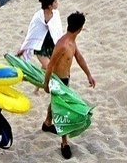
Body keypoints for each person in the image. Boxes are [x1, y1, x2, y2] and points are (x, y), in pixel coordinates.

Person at [42, 12, 96, 160]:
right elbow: (50, 66)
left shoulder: (72, 42)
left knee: (56, 104)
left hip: (66, 79)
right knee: (63, 110)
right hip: (58, 81)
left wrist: (89, 74)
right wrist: (46, 84)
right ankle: (64, 143)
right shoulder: (63, 44)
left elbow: (78, 57)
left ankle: (47, 123)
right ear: (80, 28)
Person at [17, 0, 64, 69]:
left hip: (52, 45)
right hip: (41, 47)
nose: (57, 3)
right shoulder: (38, 17)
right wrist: (23, 48)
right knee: (48, 67)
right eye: (55, 2)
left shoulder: (56, 14)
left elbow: (58, 31)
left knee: (48, 68)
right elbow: (32, 33)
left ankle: (43, 80)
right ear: (49, 6)